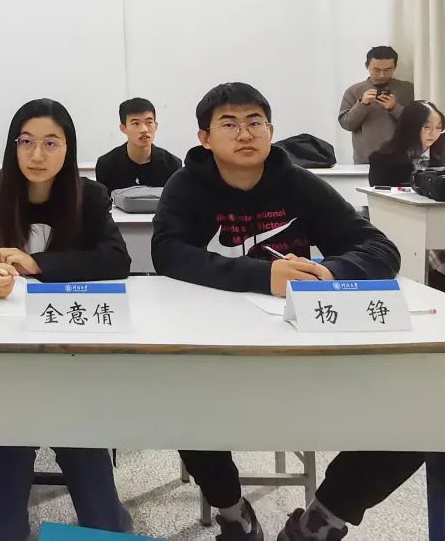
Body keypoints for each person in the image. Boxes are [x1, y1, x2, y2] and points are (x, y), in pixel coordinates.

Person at [152, 82, 419, 541]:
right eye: (229, 124)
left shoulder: (297, 183)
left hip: (303, 342)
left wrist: (328, 273)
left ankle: (323, 519)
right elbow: (168, 253)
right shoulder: (187, 186)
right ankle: (233, 513)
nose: (245, 133)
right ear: (204, 138)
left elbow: (380, 248)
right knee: (177, 399)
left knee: (418, 415)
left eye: (255, 122)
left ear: (271, 131)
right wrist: (264, 276)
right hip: (215, 345)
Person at [0, 98, 132, 541]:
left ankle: (106, 523)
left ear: (68, 148)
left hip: (71, 356)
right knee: (4, 507)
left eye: (50, 143)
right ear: (13, 146)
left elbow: (116, 259)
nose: (37, 155)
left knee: (98, 503)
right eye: (26, 142)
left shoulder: (89, 195)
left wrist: (38, 264)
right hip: (6, 356)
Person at [369, 100, 445, 305]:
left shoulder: (440, 160)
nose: (433, 134)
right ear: (410, 126)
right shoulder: (384, 159)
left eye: (438, 128)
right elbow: (380, 196)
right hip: (407, 227)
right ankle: (435, 305)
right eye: (427, 127)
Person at [338, 46, 415, 163]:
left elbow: (417, 124)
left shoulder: (408, 90)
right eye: (376, 70)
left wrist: (395, 108)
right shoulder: (353, 91)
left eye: (388, 69)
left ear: (395, 67)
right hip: (366, 161)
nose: (382, 75)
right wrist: (362, 104)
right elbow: (346, 124)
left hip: (402, 159)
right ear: (367, 66)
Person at [94, 97, 182, 193]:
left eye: (149, 122)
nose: (144, 129)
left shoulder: (172, 164)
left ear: (156, 126)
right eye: (136, 123)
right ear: (123, 128)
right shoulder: (107, 165)